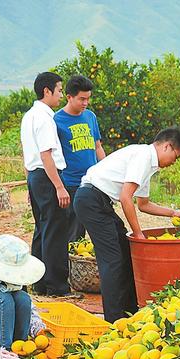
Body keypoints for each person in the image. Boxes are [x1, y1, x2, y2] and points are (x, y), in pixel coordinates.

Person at [74, 128, 180, 322]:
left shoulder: (149, 165)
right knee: (112, 260)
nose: (173, 163)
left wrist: (172, 213)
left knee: (126, 252)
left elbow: (143, 205)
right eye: (175, 157)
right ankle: (114, 320)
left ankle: (130, 312)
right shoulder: (144, 156)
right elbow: (125, 197)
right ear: (167, 146)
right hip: (91, 200)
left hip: (99, 202)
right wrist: (138, 233)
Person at [21, 71, 71, 296]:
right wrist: (59, 186)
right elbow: (46, 155)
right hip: (47, 175)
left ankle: (39, 282)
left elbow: (27, 153)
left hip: (36, 176)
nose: (61, 95)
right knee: (55, 231)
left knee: (42, 229)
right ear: (47, 91)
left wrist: (29, 183)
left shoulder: (29, 116)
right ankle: (57, 286)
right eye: (59, 90)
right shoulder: (44, 118)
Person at [55, 75, 105, 242]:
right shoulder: (56, 120)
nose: (85, 103)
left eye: (88, 99)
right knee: (74, 231)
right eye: (82, 99)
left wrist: (104, 170)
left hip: (92, 182)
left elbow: (97, 147)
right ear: (69, 97)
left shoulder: (90, 116)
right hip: (71, 183)